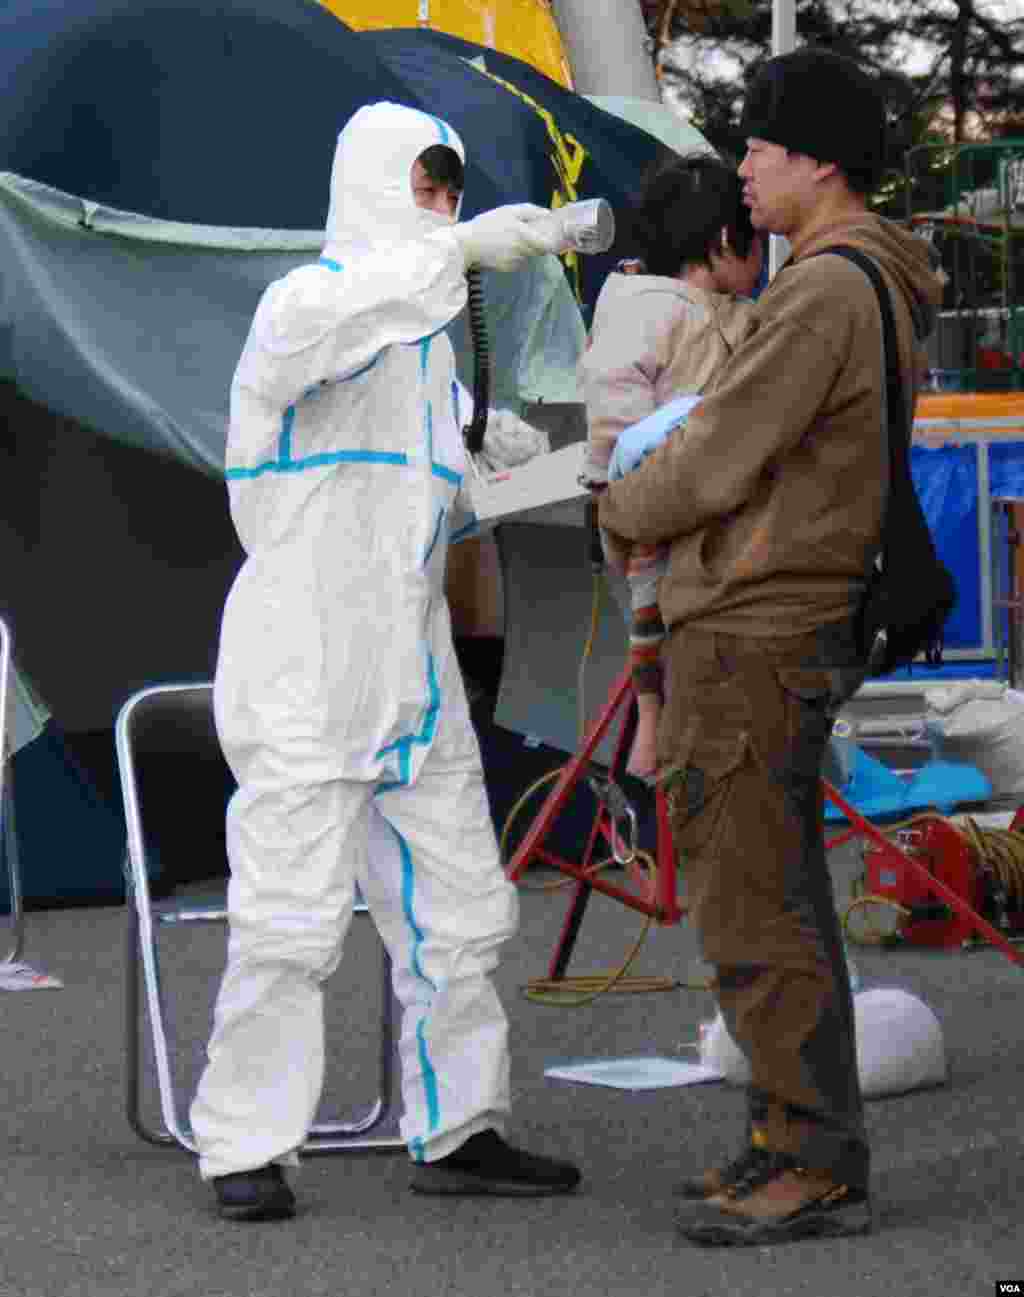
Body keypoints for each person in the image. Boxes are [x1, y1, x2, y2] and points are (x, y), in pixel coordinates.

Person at [190, 100, 582, 1222]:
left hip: (412, 668)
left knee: (461, 912)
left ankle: (460, 1127)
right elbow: (339, 320)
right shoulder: (304, 306)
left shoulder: (423, 355)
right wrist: (454, 251)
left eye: (453, 184)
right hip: (307, 668)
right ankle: (244, 1145)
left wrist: (560, 468)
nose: (444, 199)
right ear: (370, 178)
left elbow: (464, 483)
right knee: (289, 920)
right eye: (427, 178)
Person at [598, 49, 944, 1245]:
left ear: (820, 160)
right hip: (783, 616)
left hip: (758, 622)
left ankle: (809, 1155)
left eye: (758, 145)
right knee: (771, 888)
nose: (739, 167)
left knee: (755, 903)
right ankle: (787, 1136)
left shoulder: (821, 292)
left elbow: (716, 454)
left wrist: (616, 501)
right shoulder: (859, 282)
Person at [578, 153, 763, 777]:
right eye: (754, 240)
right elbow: (611, 383)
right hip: (650, 491)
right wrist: (623, 467)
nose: (762, 257)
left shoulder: (735, 314)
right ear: (721, 241)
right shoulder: (648, 305)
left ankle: (667, 721)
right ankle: (651, 719)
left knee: (679, 614)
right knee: (651, 607)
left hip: (701, 499)